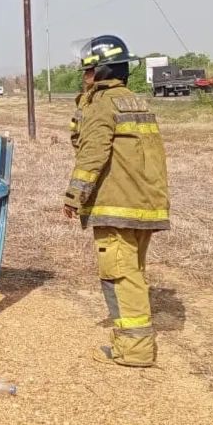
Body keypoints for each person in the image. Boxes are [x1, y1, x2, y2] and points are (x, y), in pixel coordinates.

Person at [63, 35, 170, 367]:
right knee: (134, 272)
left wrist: (74, 195)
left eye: (88, 72)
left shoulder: (104, 104)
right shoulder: (136, 102)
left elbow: (91, 150)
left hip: (117, 206)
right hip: (145, 205)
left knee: (121, 276)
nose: (85, 78)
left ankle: (135, 350)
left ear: (101, 72)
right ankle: (131, 342)